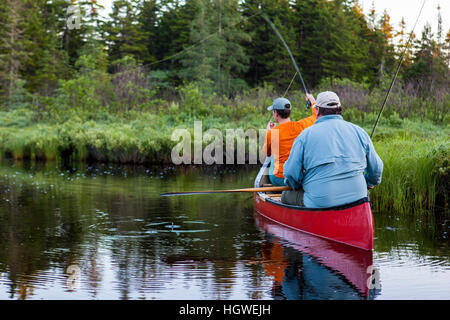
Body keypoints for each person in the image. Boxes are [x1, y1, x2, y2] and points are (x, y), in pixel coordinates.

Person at [283, 91, 383, 208]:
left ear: (318, 110)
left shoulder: (305, 135)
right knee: (365, 194)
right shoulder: (359, 131)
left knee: (285, 195)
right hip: (359, 199)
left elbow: (291, 173)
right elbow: (376, 169)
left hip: (320, 202)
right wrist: (369, 182)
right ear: (340, 109)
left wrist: (296, 185)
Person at [262, 97, 316, 186]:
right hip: (298, 177)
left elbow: (267, 153)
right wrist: (312, 101)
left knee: (272, 158)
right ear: (289, 112)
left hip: (279, 179)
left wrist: (269, 132)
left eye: (273, 112)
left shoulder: (272, 133)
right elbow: (315, 116)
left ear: (276, 113)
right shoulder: (301, 126)